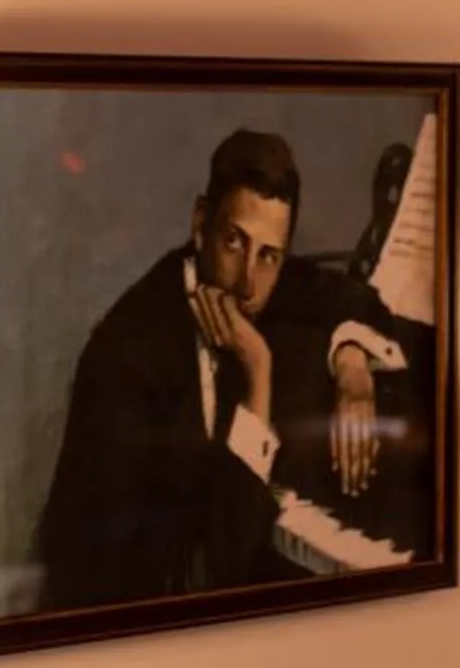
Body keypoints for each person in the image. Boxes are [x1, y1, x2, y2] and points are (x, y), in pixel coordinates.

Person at [34, 128, 404, 612]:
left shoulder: (260, 281)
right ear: (200, 223)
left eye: (269, 256)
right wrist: (258, 373)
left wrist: (353, 367)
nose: (248, 283)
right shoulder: (126, 356)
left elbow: (353, 297)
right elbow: (198, 574)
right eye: (234, 241)